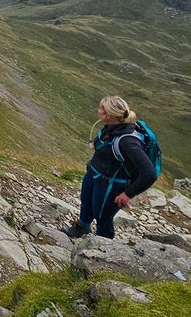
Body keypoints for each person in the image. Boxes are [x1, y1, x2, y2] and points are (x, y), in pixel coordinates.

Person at [62, 96, 158, 240]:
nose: (98, 110)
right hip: (94, 175)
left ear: (109, 115)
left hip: (111, 185)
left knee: (103, 216)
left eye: (101, 108)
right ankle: (82, 228)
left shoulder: (128, 141)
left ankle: (103, 246)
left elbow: (149, 174)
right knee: (86, 202)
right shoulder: (112, 127)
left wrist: (127, 194)